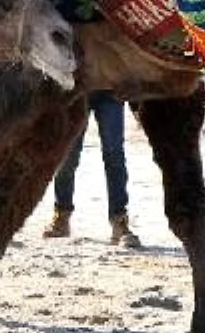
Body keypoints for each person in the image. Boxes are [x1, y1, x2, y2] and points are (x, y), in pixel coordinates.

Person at [41, 91, 141, 248]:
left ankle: (119, 222)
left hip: (111, 92)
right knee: (67, 156)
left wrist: (136, 104)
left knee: (114, 155)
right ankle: (61, 216)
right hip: (77, 91)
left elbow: (131, 65)